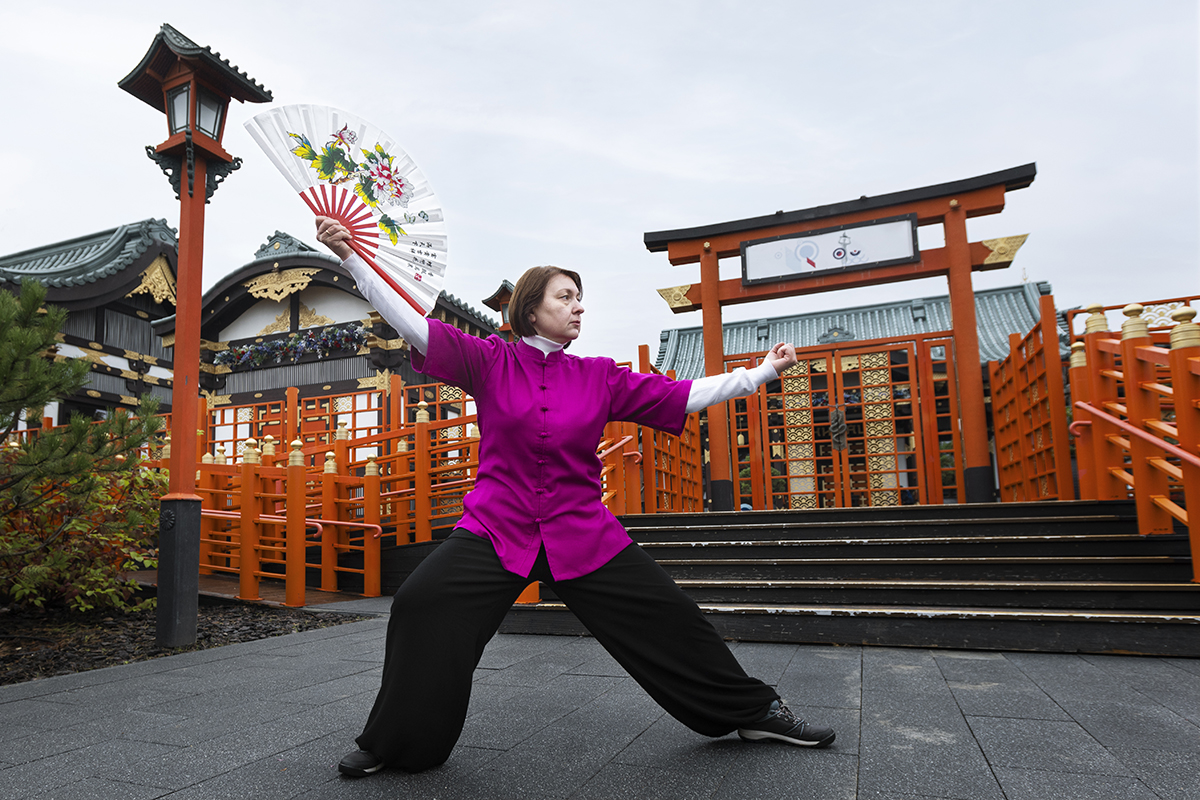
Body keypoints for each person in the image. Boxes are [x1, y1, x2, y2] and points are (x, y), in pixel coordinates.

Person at [314, 217, 835, 778]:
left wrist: (760, 373)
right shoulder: (489, 361)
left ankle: (756, 711)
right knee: (421, 603)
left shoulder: (598, 377)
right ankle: (394, 743)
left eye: (581, 298)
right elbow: (415, 328)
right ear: (530, 310)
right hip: (497, 526)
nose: (579, 307)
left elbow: (683, 395)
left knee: (672, 615)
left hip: (580, 529)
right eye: (565, 297)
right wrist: (350, 260)